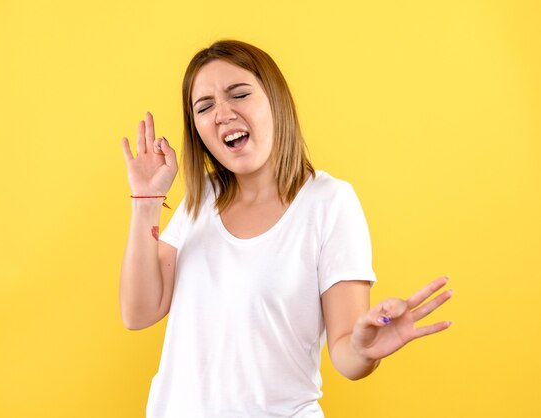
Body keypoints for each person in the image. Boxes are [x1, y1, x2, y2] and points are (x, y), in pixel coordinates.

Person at [119, 40, 453, 418]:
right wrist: (146, 202)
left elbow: (346, 353)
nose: (222, 114)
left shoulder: (329, 202)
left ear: (276, 101)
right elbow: (139, 312)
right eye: (205, 106)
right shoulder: (203, 198)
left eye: (239, 94)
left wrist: (363, 349)